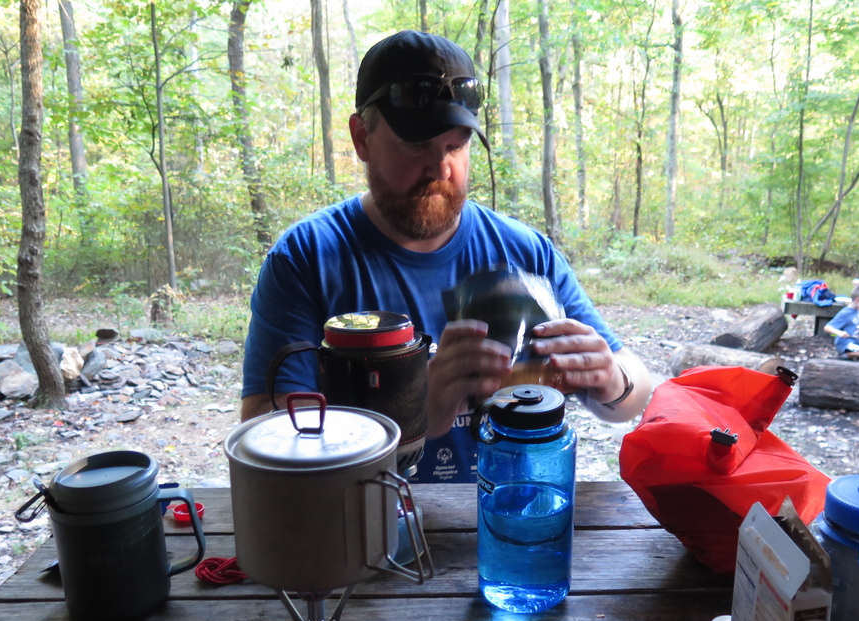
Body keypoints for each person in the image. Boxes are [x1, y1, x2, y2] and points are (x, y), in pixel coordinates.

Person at [239, 30, 651, 483]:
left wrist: (614, 381)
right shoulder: (306, 259)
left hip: (506, 513)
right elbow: (263, 430)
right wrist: (410, 413)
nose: (441, 168)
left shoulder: (524, 251)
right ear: (362, 138)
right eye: (416, 145)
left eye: (456, 146)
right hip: (365, 516)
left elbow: (634, 393)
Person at [823, 284, 859, 358]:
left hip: (856, 341)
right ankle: (844, 356)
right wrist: (839, 332)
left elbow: (854, 327)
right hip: (845, 344)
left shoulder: (858, 310)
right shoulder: (845, 313)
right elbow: (827, 327)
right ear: (858, 300)